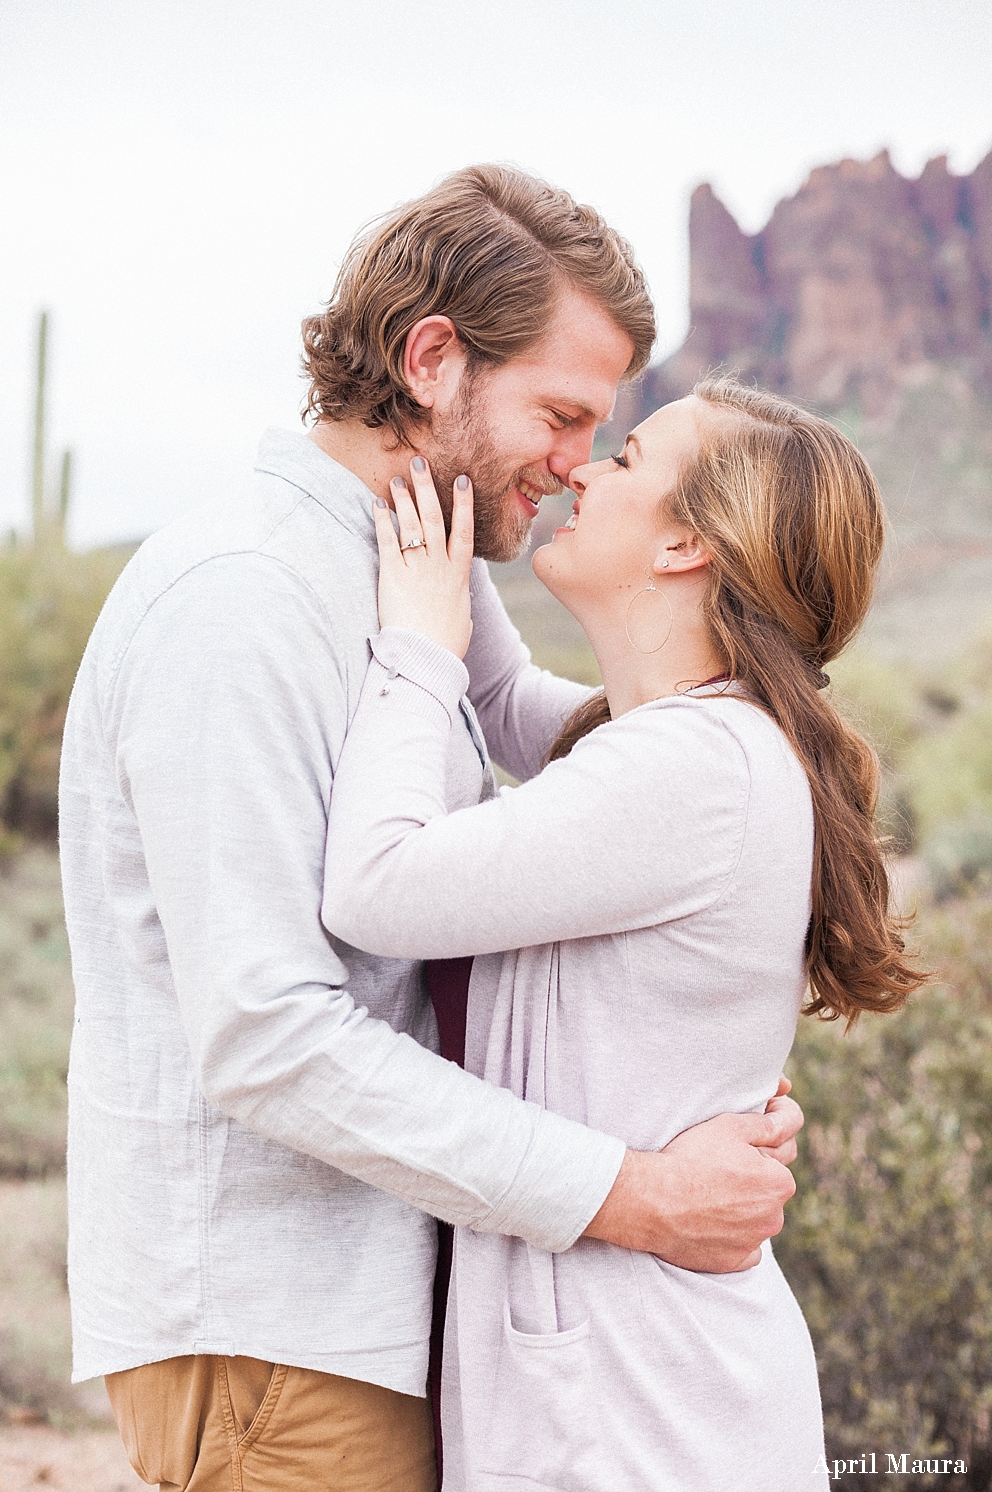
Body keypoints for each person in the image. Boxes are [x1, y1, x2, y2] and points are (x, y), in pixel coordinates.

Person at [60, 168, 803, 1492]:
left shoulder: (414, 566)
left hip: (378, 1319)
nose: (578, 464)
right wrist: (637, 1195)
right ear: (430, 360)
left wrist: (739, 756)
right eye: (561, 414)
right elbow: (267, 1038)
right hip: (279, 1337)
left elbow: (556, 732)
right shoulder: (246, 604)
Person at [321, 379, 926, 1491]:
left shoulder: (693, 768)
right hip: (630, 1388)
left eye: (627, 457)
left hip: (634, 1414)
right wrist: (442, 457)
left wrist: (410, 649)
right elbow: (500, 692)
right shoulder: (685, 740)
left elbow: (375, 883)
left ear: (686, 541)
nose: (583, 467)